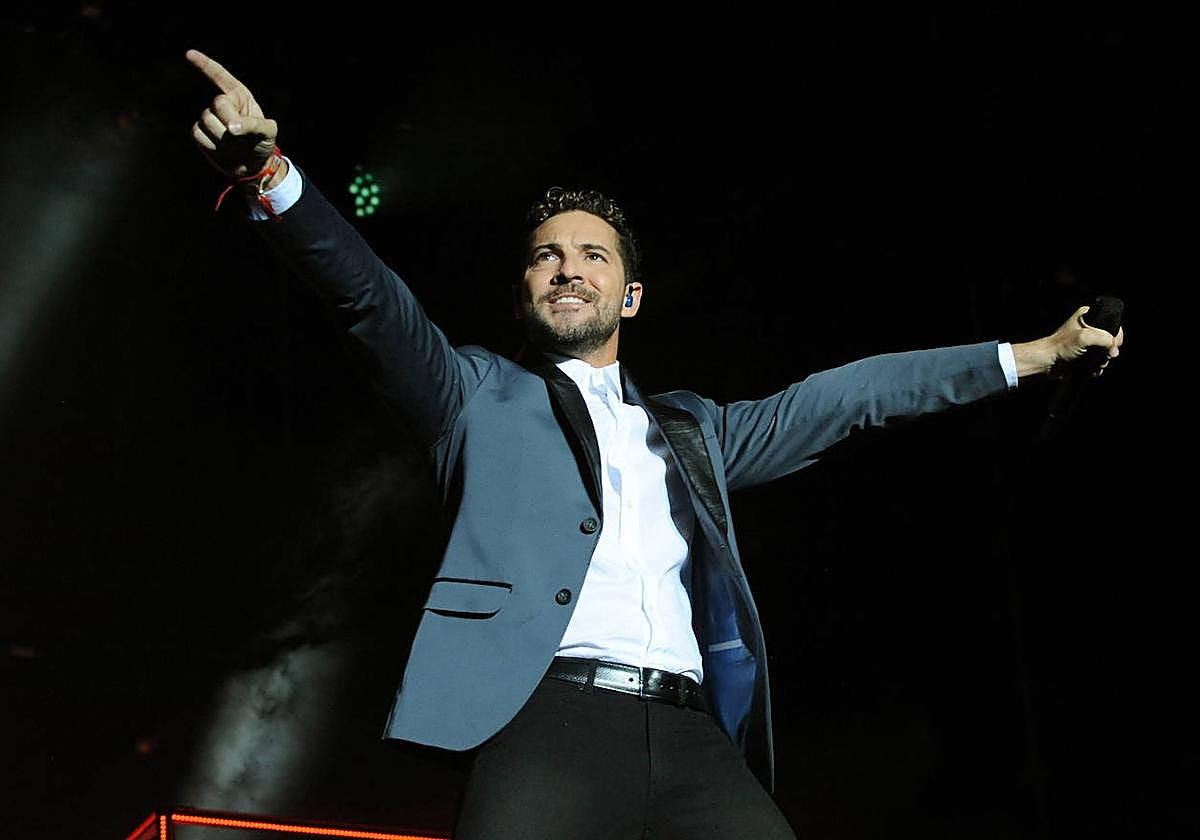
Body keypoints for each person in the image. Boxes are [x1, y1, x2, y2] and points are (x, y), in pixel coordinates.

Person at [185, 49, 1123, 839]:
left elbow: (852, 397)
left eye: (594, 255)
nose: (568, 267)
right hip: (542, 719)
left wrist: (1033, 355)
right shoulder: (472, 391)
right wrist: (272, 177)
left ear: (629, 295)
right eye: (547, 255)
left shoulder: (695, 430)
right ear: (523, 292)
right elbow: (368, 301)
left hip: (686, 737)